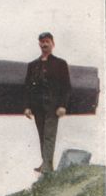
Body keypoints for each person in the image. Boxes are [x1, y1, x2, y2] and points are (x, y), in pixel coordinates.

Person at [23, 31, 71, 174]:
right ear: (39, 44)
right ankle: (46, 163)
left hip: (53, 107)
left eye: (47, 42)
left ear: (52, 44)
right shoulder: (32, 65)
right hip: (38, 107)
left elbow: (66, 86)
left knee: (49, 135)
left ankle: (47, 166)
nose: (44, 44)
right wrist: (27, 107)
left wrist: (63, 105)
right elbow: (27, 87)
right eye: (42, 42)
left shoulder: (60, 64)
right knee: (42, 135)